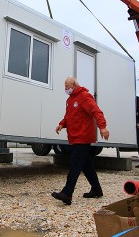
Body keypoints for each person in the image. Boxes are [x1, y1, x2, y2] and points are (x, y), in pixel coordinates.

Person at [52, 77, 110, 205]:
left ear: (74, 84)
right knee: (86, 165)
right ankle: (96, 189)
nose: (66, 89)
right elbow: (69, 116)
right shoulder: (69, 100)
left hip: (83, 137)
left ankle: (67, 193)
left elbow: (96, 111)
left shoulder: (85, 96)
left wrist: (103, 127)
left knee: (75, 164)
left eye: (67, 86)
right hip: (74, 137)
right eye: (65, 87)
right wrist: (62, 124)